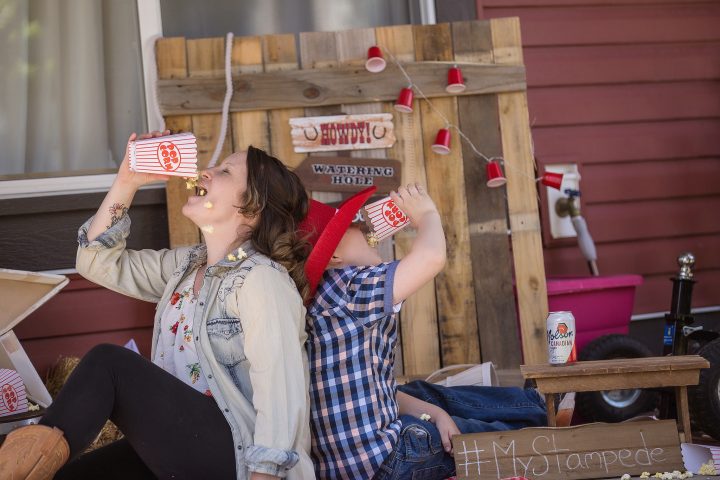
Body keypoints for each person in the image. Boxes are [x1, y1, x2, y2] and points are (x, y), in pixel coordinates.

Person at [0, 132, 315, 480]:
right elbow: (96, 261)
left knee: (110, 363)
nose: (206, 172)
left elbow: (281, 393)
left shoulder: (261, 279)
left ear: (252, 209)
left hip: (241, 459)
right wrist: (127, 180)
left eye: (225, 172)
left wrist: (264, 476)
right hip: (186, 445)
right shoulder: (184, 267)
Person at [301, 184, 547, 480]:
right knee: (466, 436)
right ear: (334, 257)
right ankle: (543, 430)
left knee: (422, 395)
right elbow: (431, 258)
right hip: (387, 462)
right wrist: (427, 215)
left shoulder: (325, 300)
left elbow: (382, 392)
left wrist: (438, 415)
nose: (364, 226)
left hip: (357, 466)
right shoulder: (349, 286)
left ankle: (535, 409)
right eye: (351, 225)